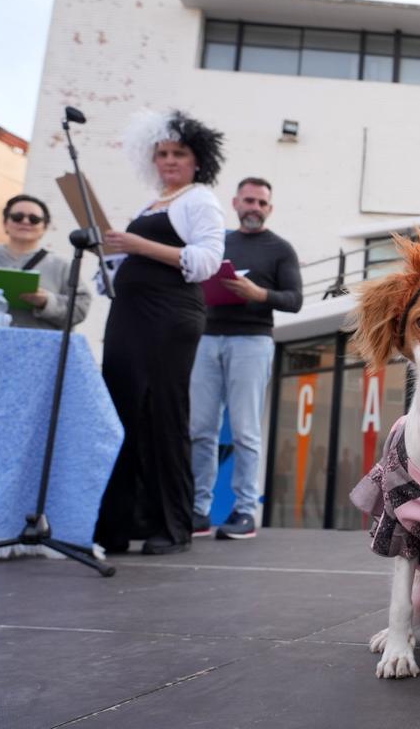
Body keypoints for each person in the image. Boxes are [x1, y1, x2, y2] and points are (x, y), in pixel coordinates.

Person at [93, 110, 225, 556]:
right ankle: (118, 524)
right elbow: (125, 265)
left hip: (170, 316)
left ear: (196, 159)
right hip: (128, 315)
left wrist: (136, 245)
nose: (169, 161)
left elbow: (205, 262)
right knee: (123, 412)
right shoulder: (147, 206)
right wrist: (111, 257)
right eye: (162, 153)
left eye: (179, 153)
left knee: (163, 413)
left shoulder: (199, 199)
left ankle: (171, 527)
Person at [189, 176, 302, 540]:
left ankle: (244, 511)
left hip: (252, 342)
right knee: (199, 430)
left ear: (269, 209)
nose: (254, 208)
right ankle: (197, 510)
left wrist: (258, 292)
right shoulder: (215, 242)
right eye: (249, 201)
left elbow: (294, 300)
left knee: (245, 430)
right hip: (206, 339)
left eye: (261, 203)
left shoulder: (281, 249)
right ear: (235, 203)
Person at [0, 194, 91, 329]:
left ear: (44, 227)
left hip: (43, 347)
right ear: (5, 223)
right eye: (17, 217)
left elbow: (80, 309)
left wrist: (46, 301)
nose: (25, 222)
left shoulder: (62, 266)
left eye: (34, 219)